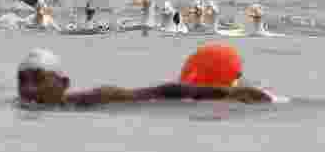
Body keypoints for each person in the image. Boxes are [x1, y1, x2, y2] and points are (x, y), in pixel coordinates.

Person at [16, 47, 275, 107]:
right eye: (22, 80)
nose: (28, 89)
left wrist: (227, 93)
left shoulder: (90, 99)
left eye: (38, 78)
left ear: (63, 84)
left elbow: (163, 91)